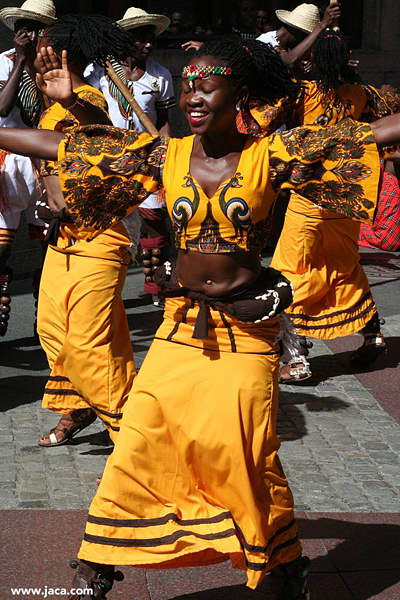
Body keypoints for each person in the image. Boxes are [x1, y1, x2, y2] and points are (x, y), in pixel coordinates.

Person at [0, 37, 397, 600]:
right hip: (181, 326)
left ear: (240, 92)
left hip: (246, 329)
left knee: (240, 446)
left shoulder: (273, 154)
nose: (193, 94)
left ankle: (280, 561)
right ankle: (98, 562)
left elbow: (371, 135)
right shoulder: (168, 155)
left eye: (208, 84)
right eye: (188, 84)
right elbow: (59, 144)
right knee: (140, 434)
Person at [252, 29, 400, 381]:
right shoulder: (362, 94)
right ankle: (372, 334)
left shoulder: (302, 92)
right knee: (345, 265)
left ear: (315, 61)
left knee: (290, 269)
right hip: (349, 195)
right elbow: (389, 112)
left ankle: (296, 356)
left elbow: (259, 118)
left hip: (311, 195)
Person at [32, 15, 138, 447]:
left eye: (41, 45)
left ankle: (128, 431)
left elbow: (104, 133)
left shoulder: (85, 97)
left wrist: (72, 100)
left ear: (56, 54)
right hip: (62, 241)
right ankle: (78, 405)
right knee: (49, 329)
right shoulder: (49, 101)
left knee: (90, 343)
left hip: (99, 239)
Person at [84, 7, 175, 305]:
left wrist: (165, 151)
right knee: (110, 222)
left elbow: (162, 120)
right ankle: (107, 287)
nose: (149, 45)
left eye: (152, 39)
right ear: (126, 41)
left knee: (156, 219)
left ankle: (156, 284)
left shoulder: (159, 75)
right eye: (141, 39)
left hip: (147, 156)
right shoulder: (99, 71)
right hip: (109, 157)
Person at [0, 0, 56, 337]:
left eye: (37, 27)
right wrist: (21, 60)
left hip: (44, 165)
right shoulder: (5, 62)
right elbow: (2, 106)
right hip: (7, 165)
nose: (30, 33)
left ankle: (45, 318)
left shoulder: (57, 65)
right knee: (2, 246)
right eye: (24, 26)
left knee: (48, 243)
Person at [257, 2, 340, 70]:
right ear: (295, 30)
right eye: (306, 37)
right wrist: (322, 25)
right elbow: (289, 61)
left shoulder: (287, 48)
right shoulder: (265, 42)